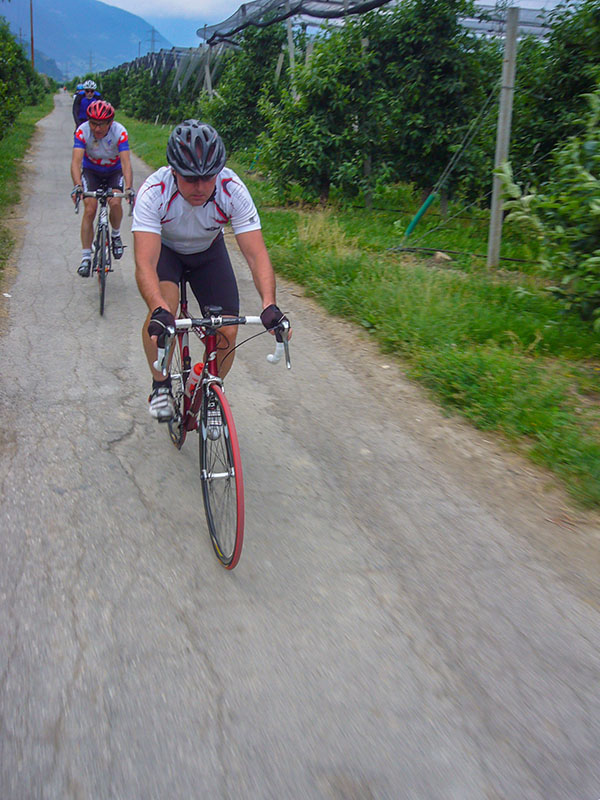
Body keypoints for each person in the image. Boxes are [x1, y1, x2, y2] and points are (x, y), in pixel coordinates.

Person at [132, 119, 290, 422]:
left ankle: (209, 388)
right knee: (165, 311)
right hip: (167, 252)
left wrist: (269, 303)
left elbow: (256, 254)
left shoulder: (232, 190)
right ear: (173, 171)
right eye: (191, 178)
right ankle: (161, 384)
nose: (201, 187)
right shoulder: (155, 191)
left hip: (208, 253)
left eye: (208, 178)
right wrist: (157, 308)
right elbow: (145, 264)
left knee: (228, 330)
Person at [70, 100, 134, 276]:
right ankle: (85, 257)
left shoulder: (119, 132)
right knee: (90, 209)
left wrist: (128, 188)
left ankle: (115, 235)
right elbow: (76, 163)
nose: (97, 129)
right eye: (93, 123)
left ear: (110, 123)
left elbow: (126, 163)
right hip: (92, 172)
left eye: (102, 124)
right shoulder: (82, 131)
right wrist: (77, 186)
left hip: (114, 172)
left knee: (115, 202)